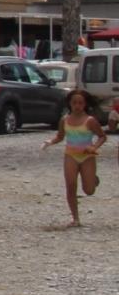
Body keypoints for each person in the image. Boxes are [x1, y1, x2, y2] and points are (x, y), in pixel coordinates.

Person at [42, 89, 106, 228]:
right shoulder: (64, 120)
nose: (77, 106)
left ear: (85, 104)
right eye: (74, 102)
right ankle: (75, 218)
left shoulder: (90, 121)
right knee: (71, 186)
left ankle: (93, 180)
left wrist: (94, 147)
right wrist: (50, 142)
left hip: (87, 157)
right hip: (70, 155)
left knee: (89, 190)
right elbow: (60, 137)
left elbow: (102, 136)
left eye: (80, 103)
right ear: (70, 104)